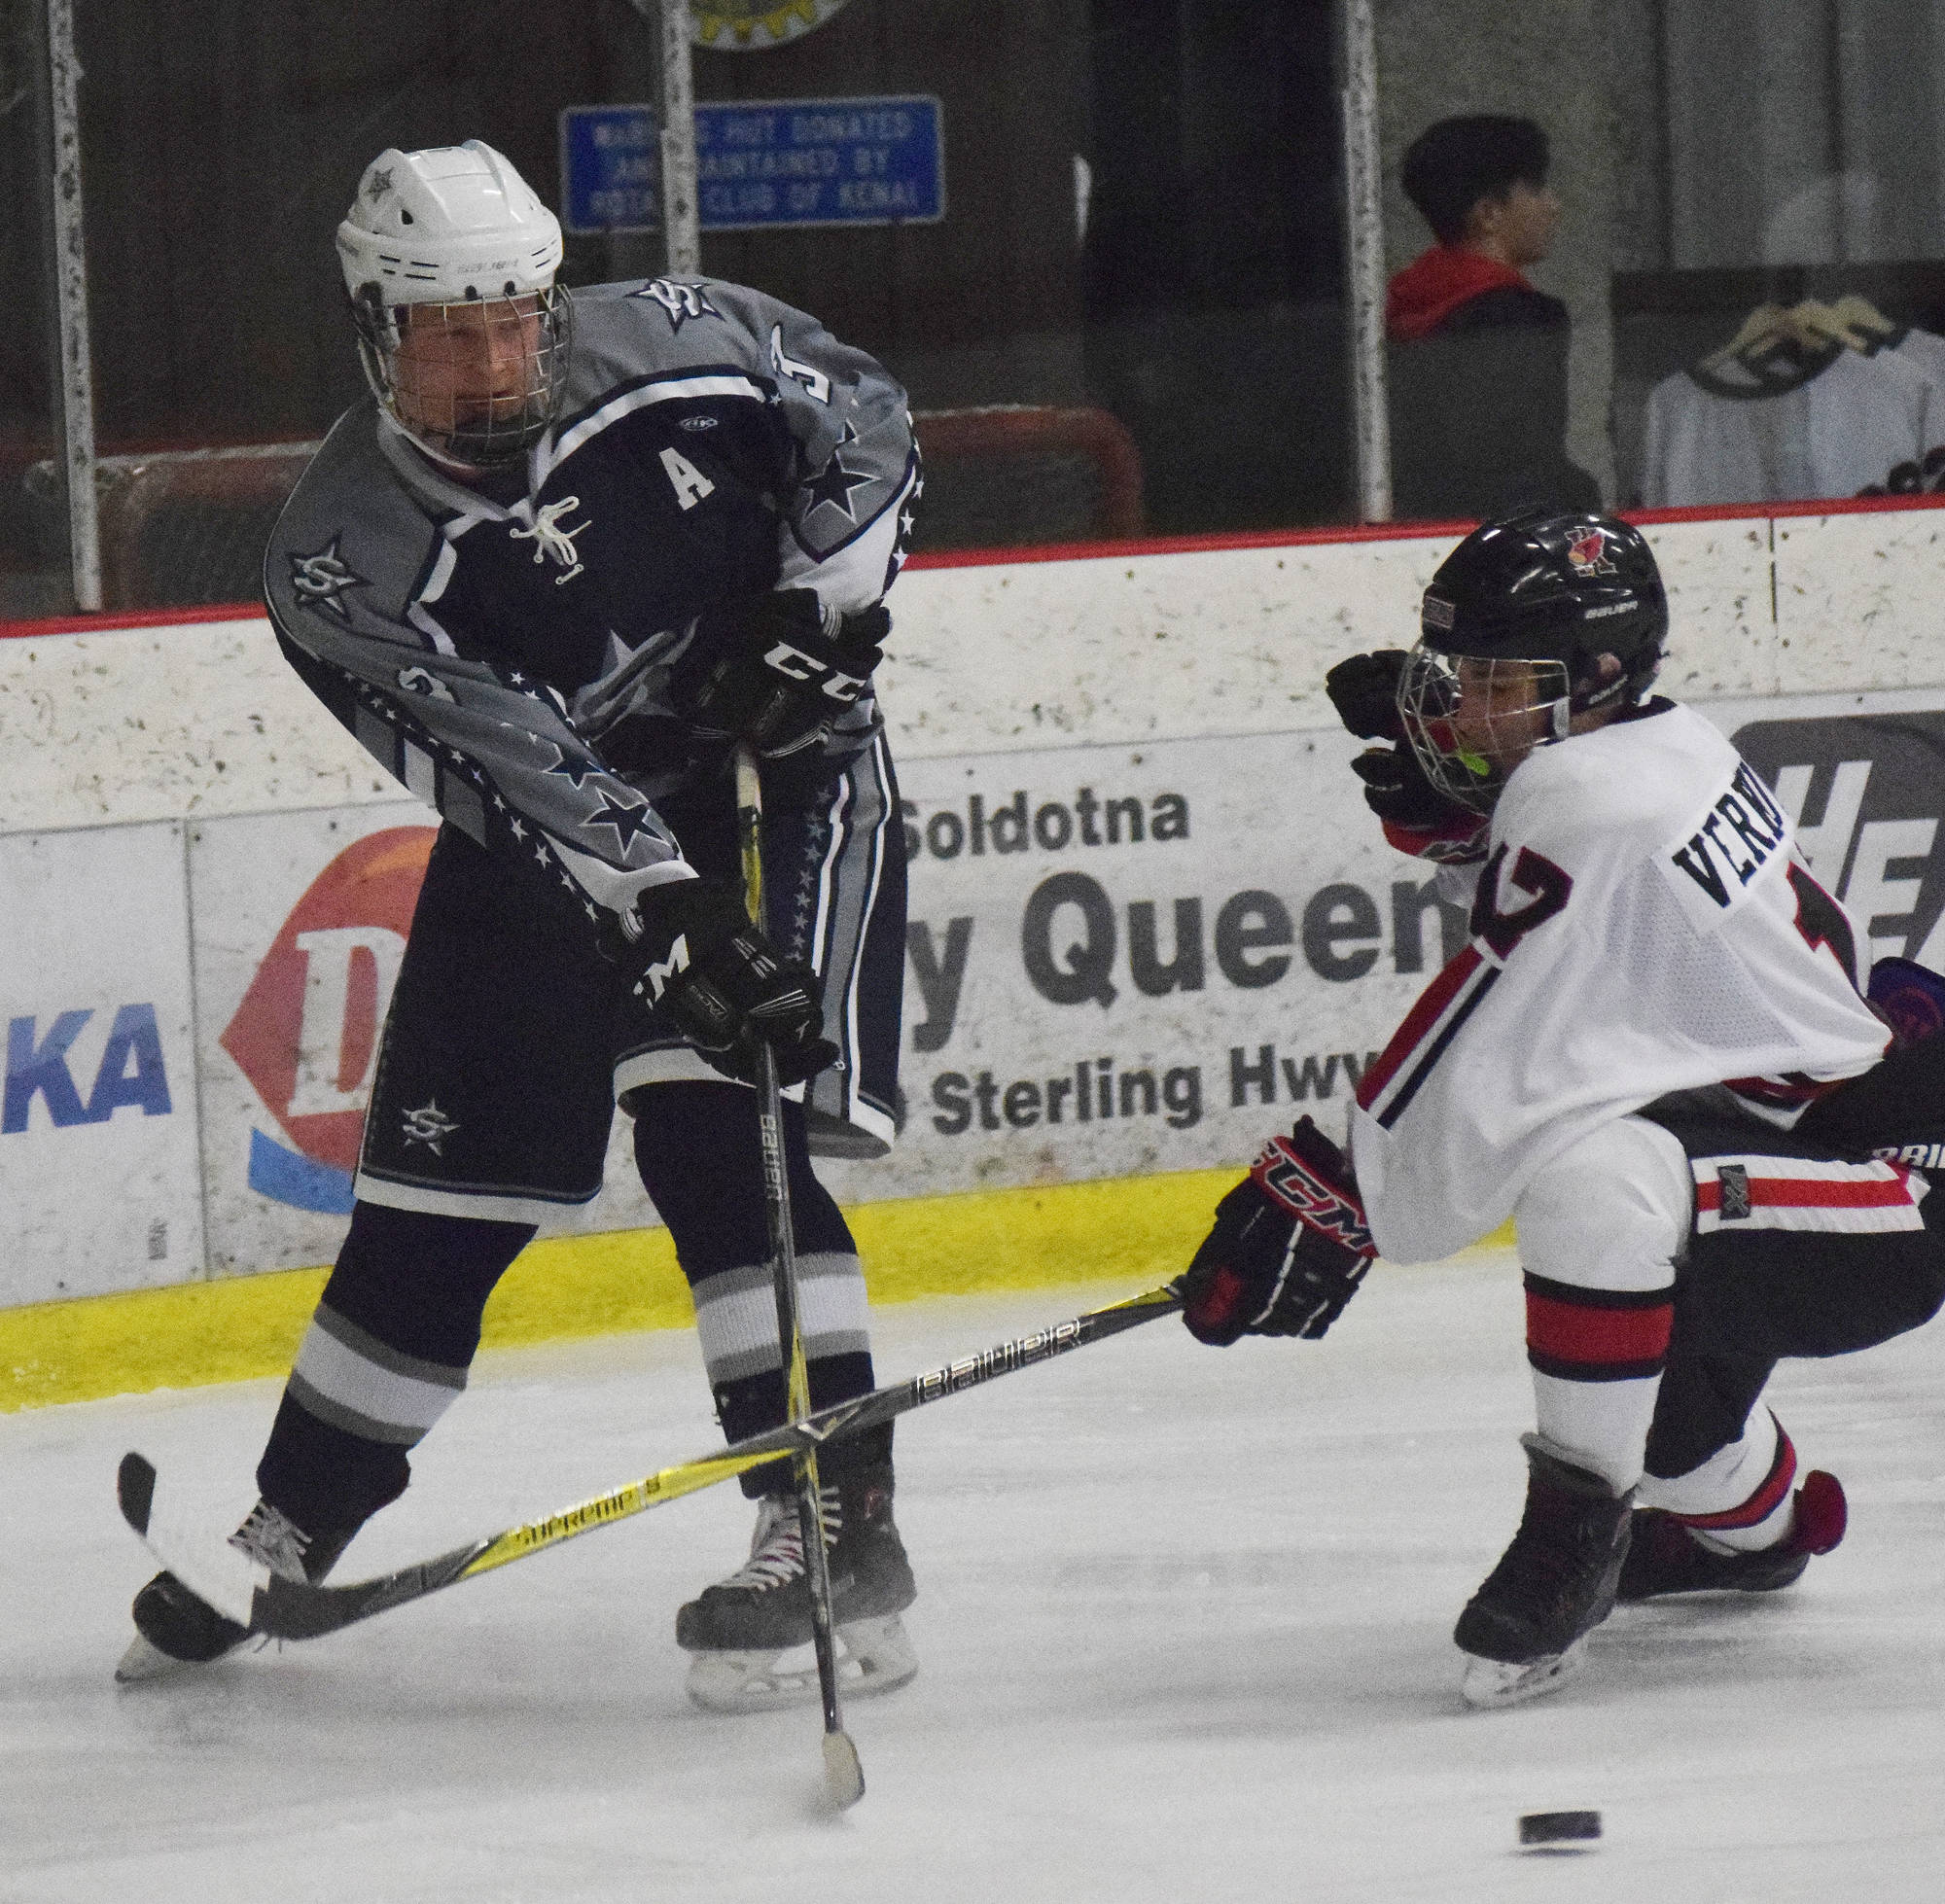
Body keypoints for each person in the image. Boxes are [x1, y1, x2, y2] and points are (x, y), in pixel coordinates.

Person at [119, 140, 924, 1711]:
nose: (494, 360)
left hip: (780, 775)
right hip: (552, 832)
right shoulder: (341, 557)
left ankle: (832, 1513)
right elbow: (516, 764)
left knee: (718, 1125)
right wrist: (668, 911)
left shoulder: (685, 341)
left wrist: (823, 618)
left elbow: (865, 420)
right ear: (375, 327)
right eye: (448, 329)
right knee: (436, 1195)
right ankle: (300, 1516)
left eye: (515, 318)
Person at [1176, 506, 1945, 1707]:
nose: (1455, 709)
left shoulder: (1600, 800)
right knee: (1677, 1441)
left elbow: (1491, 1029)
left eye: (1494, 681)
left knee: (1592, 1178)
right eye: (1457, 675)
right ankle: (1769, 1522)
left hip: (1897, 1171)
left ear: (1591, 675)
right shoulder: (1650, 741)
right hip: (1786, 1132)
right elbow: (1580, 941)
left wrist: (1330, 1188)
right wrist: (1466, 819)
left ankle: (1570, 1539)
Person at [1386, 117, 1600, 522]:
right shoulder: (1522, 319)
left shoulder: (1398, 310)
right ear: (1488, 214)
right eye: (1536, 188)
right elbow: (1524, 465)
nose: (1553, 205)